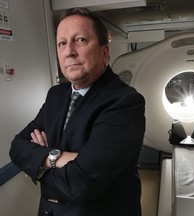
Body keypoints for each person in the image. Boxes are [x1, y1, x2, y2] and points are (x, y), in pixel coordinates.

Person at [9, 7, 145, 216]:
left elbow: (82, 183)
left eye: (80, 40)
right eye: (62, 43)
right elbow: (18, 146)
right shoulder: (56, 95)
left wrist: (39, 164)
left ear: (104, 52)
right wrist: (58, 159)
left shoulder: (124, 102)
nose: (69, 51)